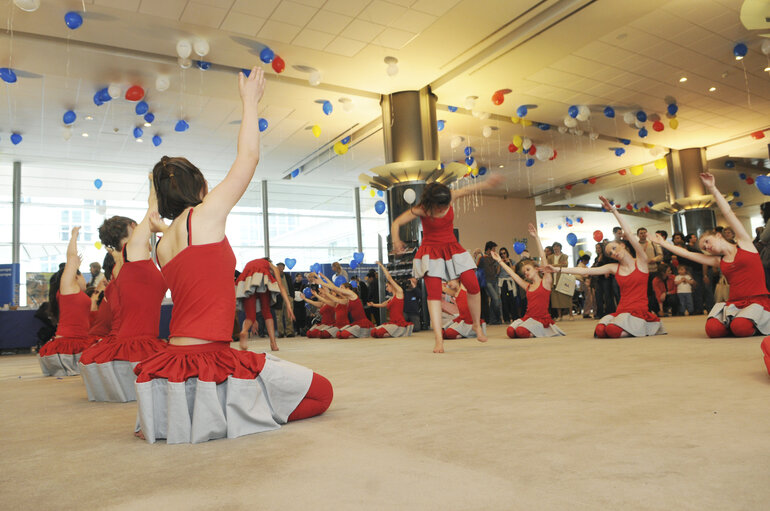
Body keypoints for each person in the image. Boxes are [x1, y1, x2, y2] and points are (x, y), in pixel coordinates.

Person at [133, 67, 331, 444]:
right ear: (201, 186)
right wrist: (249, 101)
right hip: (211, 357)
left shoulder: (161, 245)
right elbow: (248, 158)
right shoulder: (203, 215)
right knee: (322, 392)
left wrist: (154, 198)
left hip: (176, 358)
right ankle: (242, 410)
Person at [392, 175, 503, 353]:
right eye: (440, 206)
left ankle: (476, 325)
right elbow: (397, 222)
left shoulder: (450, 196)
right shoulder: (421, 209)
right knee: (434, 293)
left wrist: (487, 183)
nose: (444, 208)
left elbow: (469, 189)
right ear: (430, 203)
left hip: (452, 248)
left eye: (446, 205)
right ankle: (438, 339)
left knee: (473, 284)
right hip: (431, 251)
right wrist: (396, 240)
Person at [653, 173, 770, 339]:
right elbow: (687, 253)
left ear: (718, 235)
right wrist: (664, 244)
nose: (707, 247)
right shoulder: (718, 260)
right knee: (713, 330)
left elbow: (728, 212)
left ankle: (758, 321)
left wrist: (712, 188)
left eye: (707, 241)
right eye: (704, 247)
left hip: (757, 301)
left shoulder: (745, 244)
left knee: (741, 328)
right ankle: (739, 321)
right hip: (735, 303)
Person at [79, 185, 169, 402]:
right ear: (132, 226)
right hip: (138, 342)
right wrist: (155, 184)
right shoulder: (133, 251)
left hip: (129, 338)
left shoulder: (119, 263)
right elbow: (152, 210)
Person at [547, 197, 665, 338]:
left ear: (622, 245)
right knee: (601, 330)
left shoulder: (641, 261)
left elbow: (627, 232)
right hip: (622, 311)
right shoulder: (614, 267)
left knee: (611, 331)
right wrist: (557, 269)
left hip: (638, 312)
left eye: (614, 248)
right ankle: (623, 327)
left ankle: (637, 326)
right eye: (610, 253)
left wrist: (614, 210)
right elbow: (586, 270)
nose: (614, 253)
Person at [493, 224, 564, 338]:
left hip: (540, 319)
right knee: (511, 331)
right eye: (524, 272)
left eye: (528, 269)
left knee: (521, 331)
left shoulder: (546, 281)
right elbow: (513, 275)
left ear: (536, 269)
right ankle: (531, 329)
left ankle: (542, 331)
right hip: (528, 318)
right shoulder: (528, 286)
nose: (525, 272)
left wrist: (536, 237)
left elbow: (543, 257)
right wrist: (500, 261)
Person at [38, 227, 91, 376]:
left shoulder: (78, 293)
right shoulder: (68, 287)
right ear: (75, 276)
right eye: (82, 277)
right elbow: (71, 258)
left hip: (80, 341)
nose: (85, 281)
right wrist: (74, 236)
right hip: (68, 345)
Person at [236, 258, 294, 352]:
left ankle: (244, 331)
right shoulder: (270, 265)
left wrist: (253, 320)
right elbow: (281, 286)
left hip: (247, 280)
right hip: (262, 278)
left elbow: (253, 286)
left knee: (250, 315)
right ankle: (273, 343)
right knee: (267, 312)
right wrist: (288, 304)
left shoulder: (250, 263)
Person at [315, 272, 373, 338]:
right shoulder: (346, 300)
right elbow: (334, 295)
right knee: (339, 334)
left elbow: (335, 288)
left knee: (343, 334)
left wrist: (322, 283)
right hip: (355, 323)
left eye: (342, 288)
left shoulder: (352, 294)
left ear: (347, 289)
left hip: (362, 323)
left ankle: (363, 331)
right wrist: (324, 286)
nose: (340, 289)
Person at [369, 261, 412, 338]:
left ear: (392, 285)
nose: (386, 288)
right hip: (392, 322)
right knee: (373, 332)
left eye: (387, 286)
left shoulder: (399, 292)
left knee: (379, 333)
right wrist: (373, 304)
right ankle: (395, 332)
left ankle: (401, 330)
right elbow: (383, 304)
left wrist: (381, 266)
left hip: (398, 323)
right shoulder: (391, 298)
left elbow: (389, 277)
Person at [637, 227, 663, 314]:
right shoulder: (635, 245)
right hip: (641, 272)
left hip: (654, 270)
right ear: (638, 235)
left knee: (655, 291)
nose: (643, 234)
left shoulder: (653, 244)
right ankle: (647, 310)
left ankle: (657, 310)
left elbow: (660, 255)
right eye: (641, 233)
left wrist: (654, 260)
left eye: (644, 233)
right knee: (645, 292)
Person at [477, 241, 502, 324]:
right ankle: (496, 318)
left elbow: (497, 272)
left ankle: (493, 319)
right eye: (494, 249)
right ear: (489, 249)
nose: (495, 250)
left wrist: (499, 262)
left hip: (494, 280)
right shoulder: (482, 258)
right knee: (495, 299)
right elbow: (477, 269)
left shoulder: (494, 258)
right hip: (487, 281)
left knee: (496, 300)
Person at [548, 242, 572, 320]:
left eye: (557, 247)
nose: (556, 248)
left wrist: (553, 266)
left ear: (560, 247)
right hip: (553, 279)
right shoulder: (550, 257)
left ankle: (571, 315)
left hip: (563, 278)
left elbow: (565, 265)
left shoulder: (565, 256)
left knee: (566, 297)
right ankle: (559, 316)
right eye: (554, 247)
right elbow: (549, 267)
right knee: (556, 299)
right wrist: (558, 265)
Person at [592, 242, 614, 317]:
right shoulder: (596, 258)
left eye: (599, 248)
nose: (597, 249)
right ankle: (600, 313)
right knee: (598, 296)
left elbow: (610, 266)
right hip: (598, 278)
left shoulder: (607, 257)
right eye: (596, 248)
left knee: (607, 296)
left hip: (606, 278)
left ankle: (610, 312)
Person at [497, 247, 519, 323]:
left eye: (504, 253)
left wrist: (508, 262)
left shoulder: (512, 261)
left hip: (510, 281)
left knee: (512, 300)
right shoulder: (499, 262)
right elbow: (497, 272)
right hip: (502, 281)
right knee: (504, 300)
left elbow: (513, 271)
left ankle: (514, 317)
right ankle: (506, 318)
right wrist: (500, 263)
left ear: (507, 253)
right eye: (501, 254)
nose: (503, 255)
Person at [274, 262, 295, 338]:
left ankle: (289, 331)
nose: (280, 268)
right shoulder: (274, 276)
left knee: (289, 315)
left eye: (281, 266)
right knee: (279, 316)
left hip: (288, 296)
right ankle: (281, 332)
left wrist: (292, 296)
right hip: (278, 297)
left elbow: (291, 286)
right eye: (278, 266)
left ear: (283, 268)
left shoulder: (287, 276)